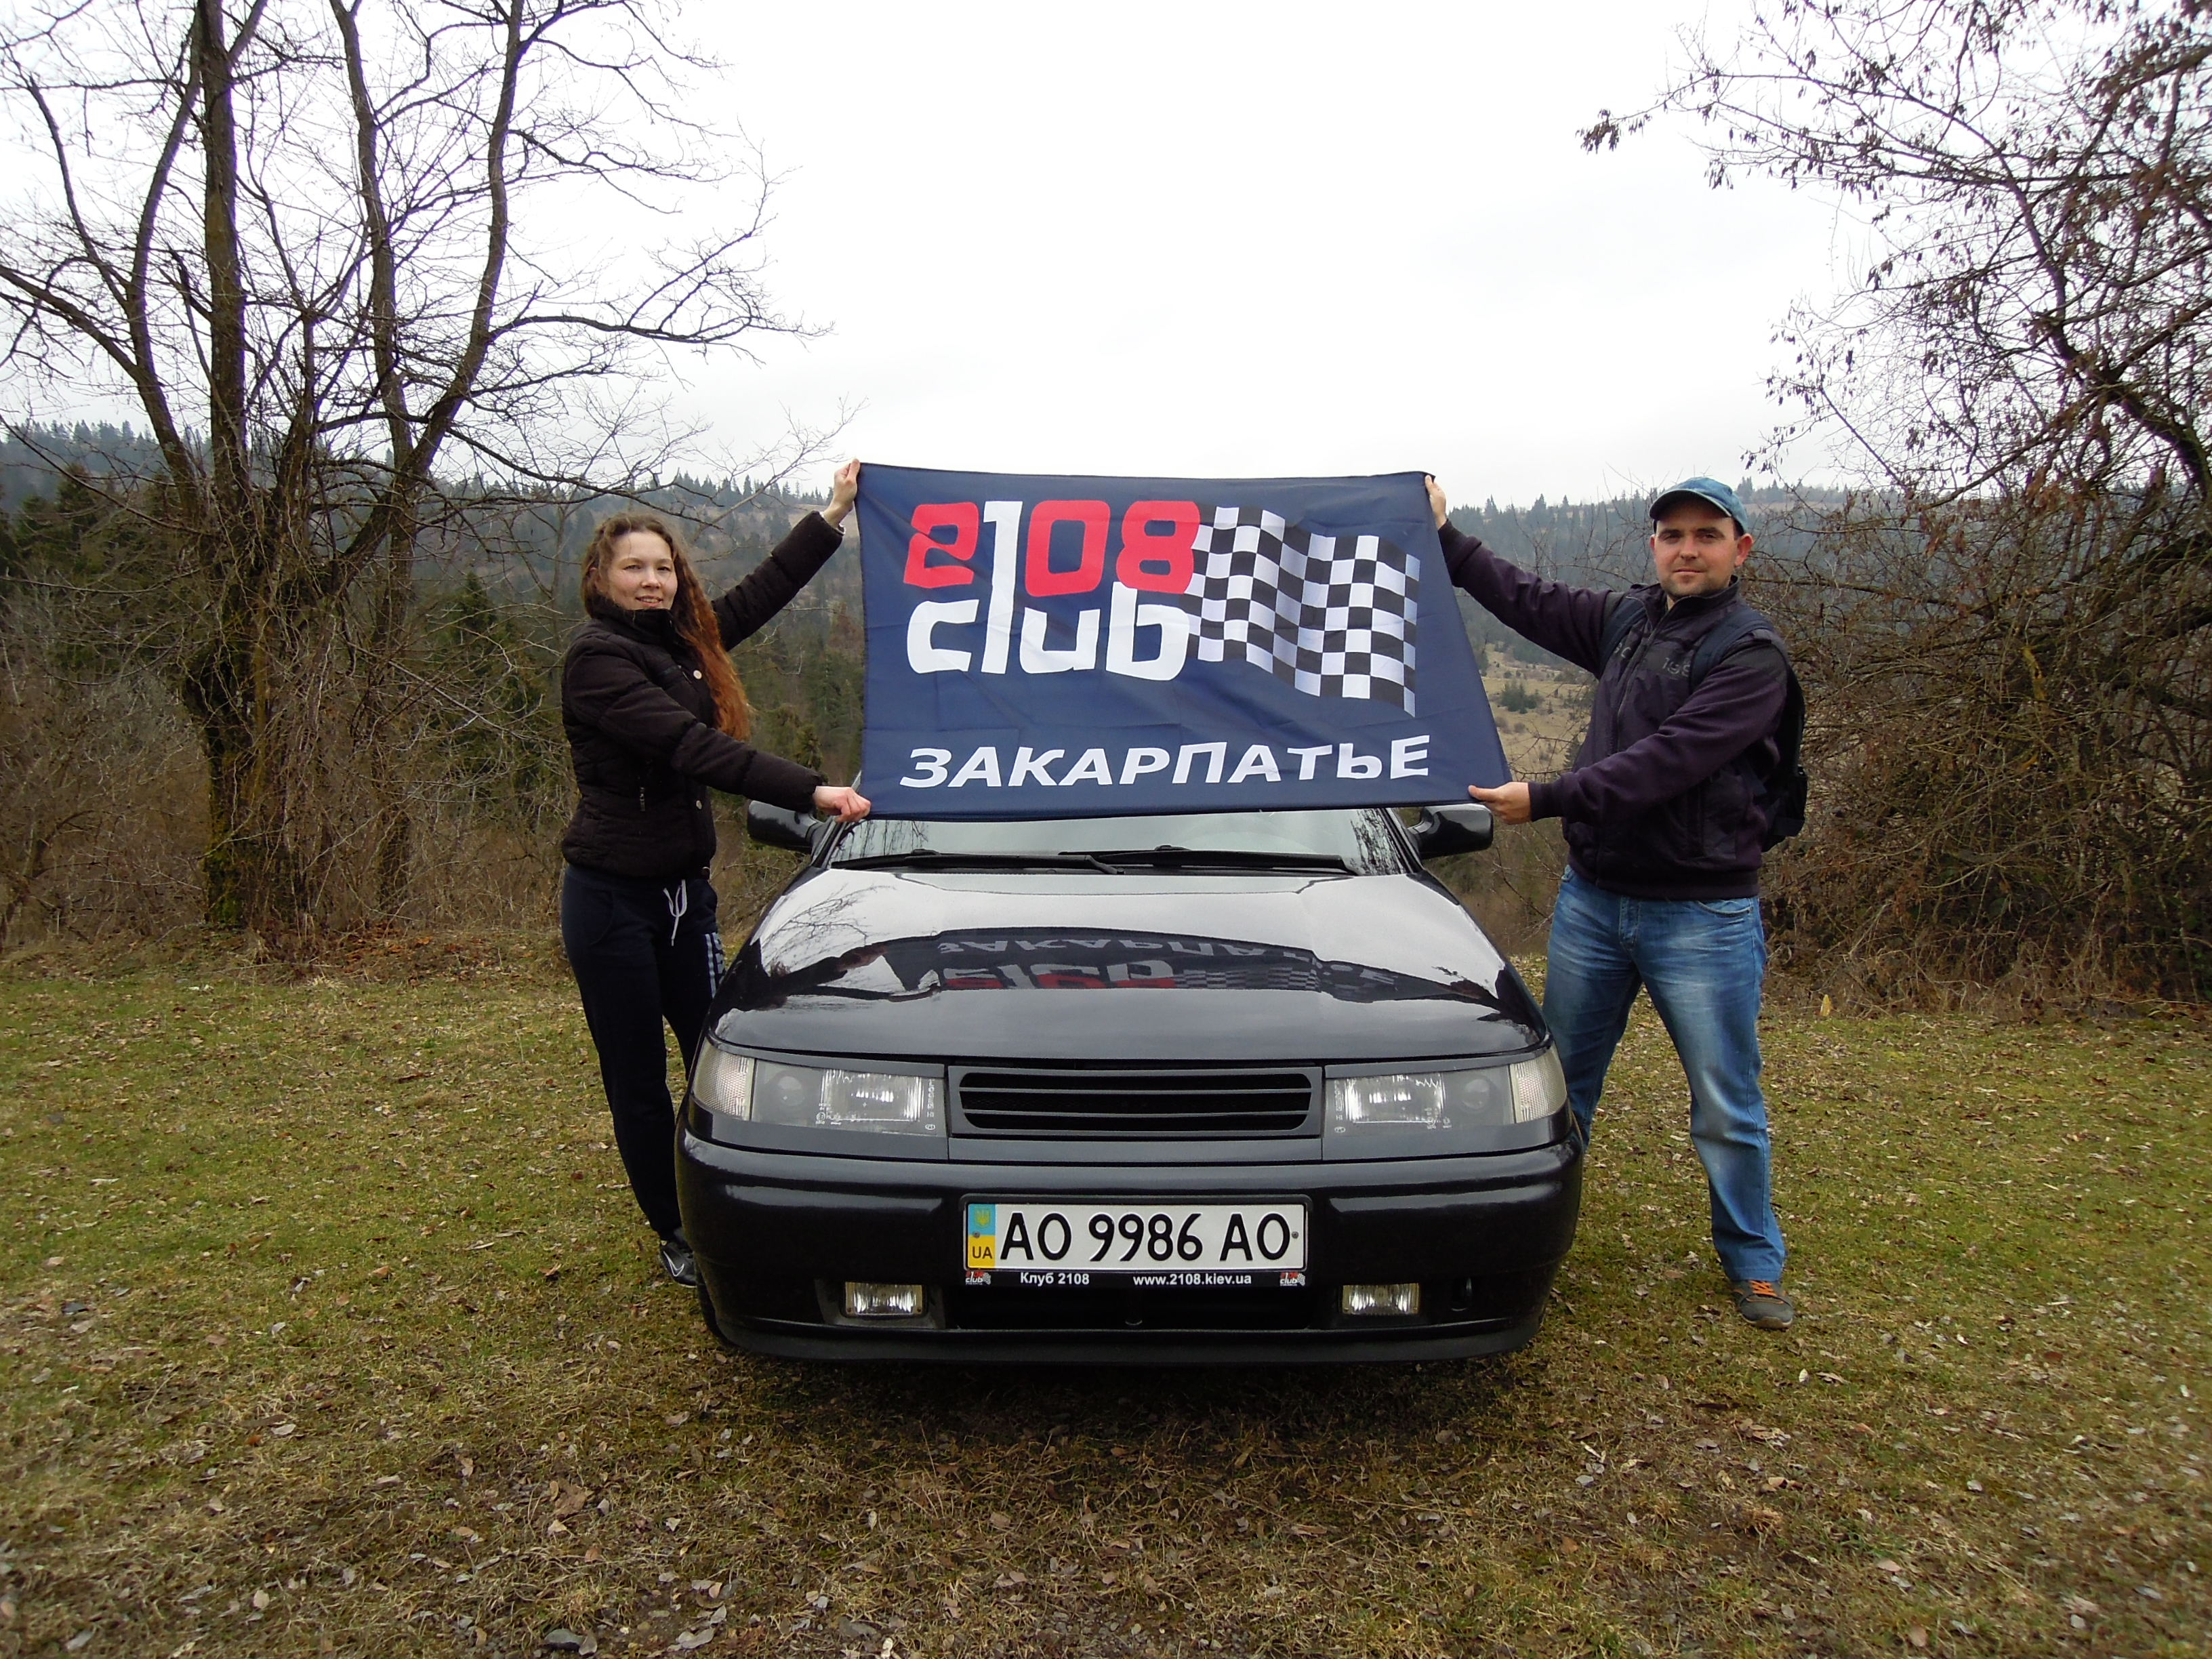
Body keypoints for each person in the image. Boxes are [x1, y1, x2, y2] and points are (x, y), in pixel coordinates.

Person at [1429, 474, 1797, 1330]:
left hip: (1700, 916)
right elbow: (1528, 600)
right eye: (1672, 535)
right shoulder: (1629, 621)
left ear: (1741, 549)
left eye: (1706, 535)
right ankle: (1529, 1237)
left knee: (1726, 1104)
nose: (1687, 550)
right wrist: (1446, 539)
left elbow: (1670, 761)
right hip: (1595, 903)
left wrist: (1548, 798)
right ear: (1654, 545)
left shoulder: (1752, 656)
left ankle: (1754, 1261)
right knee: (1560, 1090)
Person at [560, 464, 871, 1286]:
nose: (651, 581)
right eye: (634, 568)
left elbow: (758, 596)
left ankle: (746, 1201)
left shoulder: (683, 646)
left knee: (724, 1058)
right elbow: (689, 747)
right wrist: (811, 789)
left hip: (685, 901)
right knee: (639, 1078)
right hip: (612, 906)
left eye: (663, 568)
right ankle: (677, 1228)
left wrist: (832, 515)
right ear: (601, 578)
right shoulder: (597, 661)